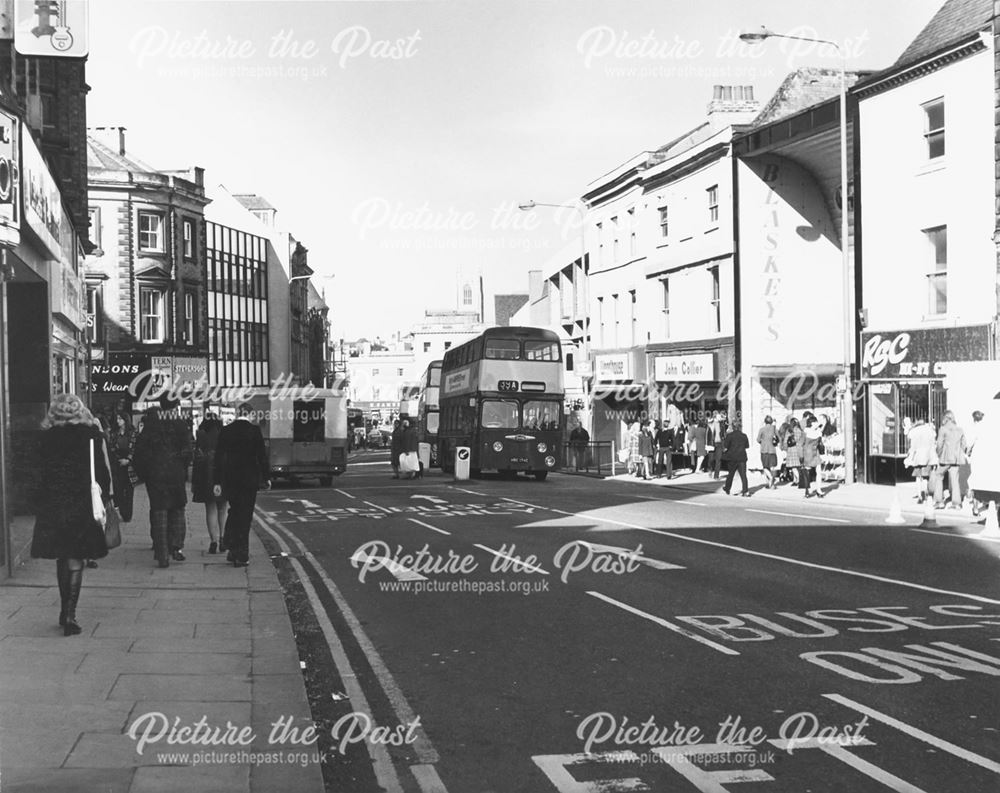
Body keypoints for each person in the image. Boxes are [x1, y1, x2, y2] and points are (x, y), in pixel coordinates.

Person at [30, 394, 112, 636]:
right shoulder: (90, 435)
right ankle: (69, 614)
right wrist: (106, 496)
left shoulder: (44, 438)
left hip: (53, 504)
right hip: (81, 503)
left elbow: (35, 473)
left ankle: (64, 609)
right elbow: (102, 472)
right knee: (75, 558)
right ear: (79, 411)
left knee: (61, 556)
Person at [132, 394, 193, 568]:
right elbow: (188, 450)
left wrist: (144, 473)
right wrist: (182, 468)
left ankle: (162, 554)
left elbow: (140, 451)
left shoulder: (151, 424)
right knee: (177, 509)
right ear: (175, 406)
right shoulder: (181, 424)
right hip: (175, 473)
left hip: (156, 474)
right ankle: (176, 547)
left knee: (159, 511)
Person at [214, 403, 270, 568]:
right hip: (249, 481)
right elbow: (262, 457)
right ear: (251, 414)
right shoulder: (254, 431)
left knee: (234, 511)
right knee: (244, 516)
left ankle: (231, 547)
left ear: (238, 413)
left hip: (231, 480)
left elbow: (218, 458)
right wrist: (266, 478)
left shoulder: (226, 431)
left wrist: (217, 481)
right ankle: (241, 555)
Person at [192, 413, 228, 554]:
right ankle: (223, 538)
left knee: (210, 509)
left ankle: (213, 541)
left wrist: (195, 481)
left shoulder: (201, 435)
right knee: (222, 509)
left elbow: (197, 459)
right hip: (222, 475)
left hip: (205, 476)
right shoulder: (223, 434)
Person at [107, 412, 137, 524]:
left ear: (125, 420)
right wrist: (117, 459)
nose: (118, 420)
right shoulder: (114, 433)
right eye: (117, 418)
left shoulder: (132, 433)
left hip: (129, 466)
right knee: (118, 491)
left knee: (129, 491)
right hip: (118, 464)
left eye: (120, 418)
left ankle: (127, 514)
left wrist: (128, 460)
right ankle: (123, 511)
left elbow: (134, 448)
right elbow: (111, 447)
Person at [933, 411, 967, 510]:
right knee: (955, 480)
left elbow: (939, 445)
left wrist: (939, 455)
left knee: (939, 475)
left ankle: (939, 501)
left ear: (945, 418)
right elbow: (964, 445)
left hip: (945, 458)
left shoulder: (943, 429)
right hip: (956, 459)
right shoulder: (960, 430)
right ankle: (957, 503)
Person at [904, 417, 937, 504]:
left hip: (918, 456)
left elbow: (912, 447)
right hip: (928, 456)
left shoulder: (914, 432)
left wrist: (909, 459)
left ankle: (920, 496)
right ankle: (926, 494)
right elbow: (933, 444)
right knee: (925, 477)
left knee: (918, 477)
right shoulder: (930, 430)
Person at [722, 420, 751, 497]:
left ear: (733, 427)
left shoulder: (730, 436)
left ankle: (727, 488)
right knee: (743, 475)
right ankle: (745, 491)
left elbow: (725, 447)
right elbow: (747, 446)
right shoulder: (744, 435)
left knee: (731, 474)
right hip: (742, 457)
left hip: (732, 457)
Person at [801, 415, 825, 498]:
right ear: (811, 423)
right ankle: (807, 490)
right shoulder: (806, 432)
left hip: (813, 452)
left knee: (818, 471)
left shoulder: (815, 431)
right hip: (809, 453)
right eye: (815, 422)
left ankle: (817, 489)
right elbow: (801, 444)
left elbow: (801, 444)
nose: (816, 423)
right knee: (809, 472)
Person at [757, 415, 780, 489]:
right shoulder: (774, 429)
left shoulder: (762, 429)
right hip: (772, 450)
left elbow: (758, 439)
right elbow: (779, 438)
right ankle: (770, 484)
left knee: (765, 467)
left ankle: (770, 478)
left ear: (765, 421)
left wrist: (763, 442)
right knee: (772, 467)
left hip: (764, 450)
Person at [784, 417, 803, 487]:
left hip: (791, 449)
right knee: (796, 466)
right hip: (798, 449)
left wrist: (785, 447)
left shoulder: (789, 430)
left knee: (793, 466)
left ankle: (798, 479)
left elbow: (785, 440)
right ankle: (795, 480)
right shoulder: (799, 430)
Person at [707, 412, 727, 480]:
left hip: (719, 443)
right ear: (715, 417)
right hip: (712, 443)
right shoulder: (711, 424)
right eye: (718, 417)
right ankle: (709, 469)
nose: (720, 418)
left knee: (718, 460)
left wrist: (724, 445)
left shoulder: (722, 425)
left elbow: (723, 434)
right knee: (711, 459)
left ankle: (716, 476)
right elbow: (707, 434)